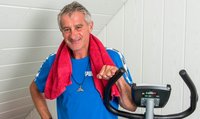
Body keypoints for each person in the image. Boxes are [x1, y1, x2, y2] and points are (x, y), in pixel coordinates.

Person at [29, 1, 137, 119]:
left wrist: (117, 78)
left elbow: (131, 106)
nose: (73, 35)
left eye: (78, 27)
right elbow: (34, 88)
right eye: (67, 29)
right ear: (62, 32)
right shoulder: (53, 61)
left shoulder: (113, 57)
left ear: (90, 26)